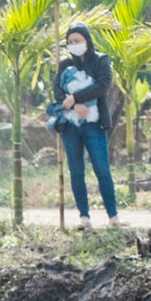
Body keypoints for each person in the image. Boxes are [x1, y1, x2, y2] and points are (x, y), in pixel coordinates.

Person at [53, 22, 119, 229]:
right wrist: (74, 105)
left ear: (87, 41)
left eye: (78, 40)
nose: (74, 44)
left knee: (102, 168)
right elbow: (57, 91)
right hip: (70, 124)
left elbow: (102, 86)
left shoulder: (101, 60)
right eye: (70, 41)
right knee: (76, 170)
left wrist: (76, 98)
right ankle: (84, 217)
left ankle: (113, 216)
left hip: (94, 123)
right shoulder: (65, 65)